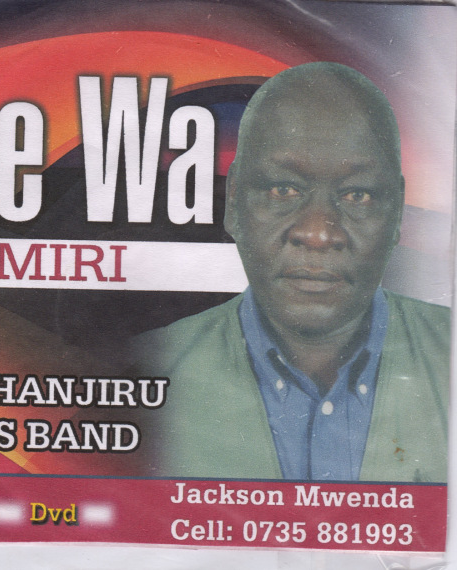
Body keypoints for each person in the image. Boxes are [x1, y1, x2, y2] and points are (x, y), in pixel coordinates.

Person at [132, 62, 449, 483]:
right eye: (283, 189)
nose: (318, 233)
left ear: (397, 214)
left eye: (357, 194)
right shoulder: (141, 374)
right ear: (233, 203)